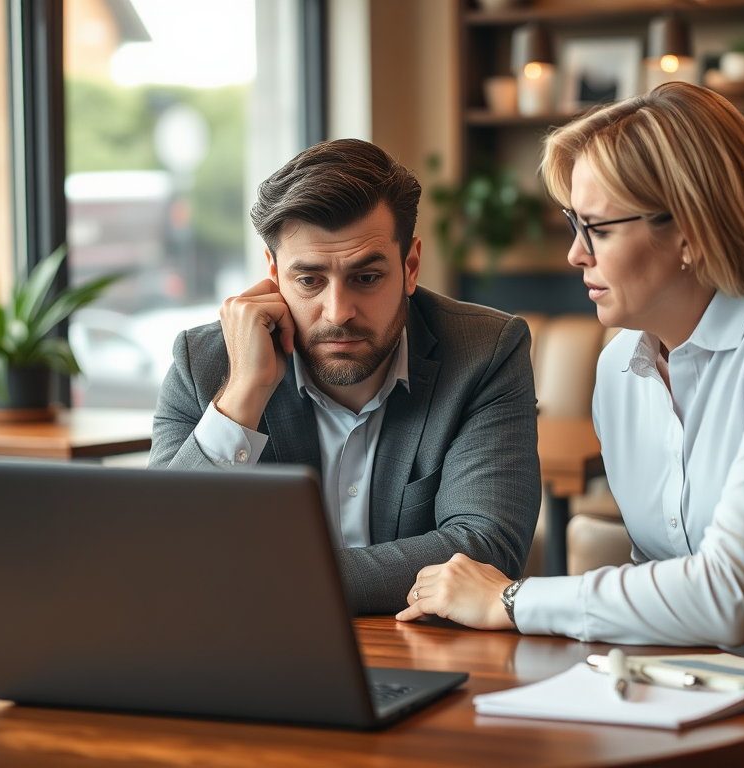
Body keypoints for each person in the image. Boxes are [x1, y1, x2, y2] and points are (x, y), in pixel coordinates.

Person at [396, 83, 744, 766]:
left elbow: (730, 594)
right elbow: (663, 576)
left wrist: (511, 598)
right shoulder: (622, 364)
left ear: (688, 230)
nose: (575, 255)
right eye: (573, 224)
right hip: (707, 717)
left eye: (598, 228)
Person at [148, 138, 540, 616]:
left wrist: (257, 580)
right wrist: (244, 394)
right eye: (309, 280)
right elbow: (163, 556)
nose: (338, 312)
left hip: (423, 658)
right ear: (273, 273)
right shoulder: (205, 364)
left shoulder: (485, 352)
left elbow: (484, 548)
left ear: (410, 266)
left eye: (367, 277)